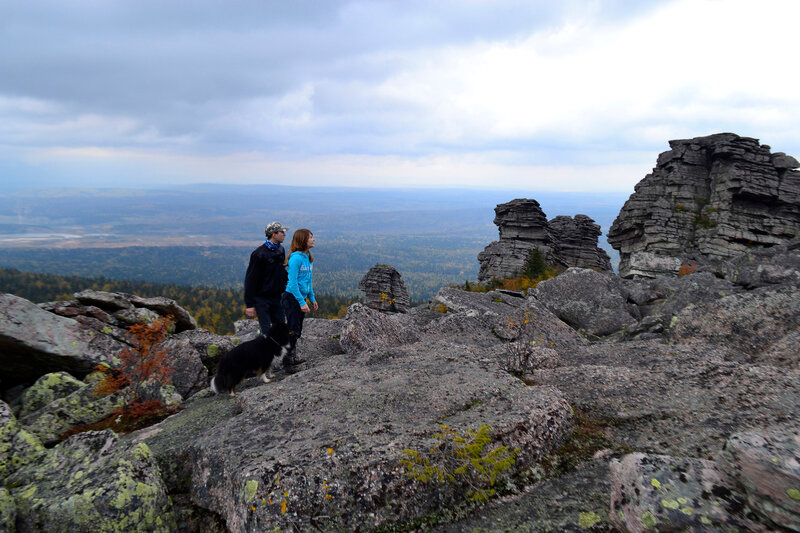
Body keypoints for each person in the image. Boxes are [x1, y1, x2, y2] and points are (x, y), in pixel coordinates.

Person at [244, 221, 289, 336]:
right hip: (261, 299)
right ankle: (263, 352)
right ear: (273, 234)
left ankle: (278, 353)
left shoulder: (281, 250)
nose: (284, 234)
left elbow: (282, 271)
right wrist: (249, 305)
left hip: (277, 297)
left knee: (280, 328)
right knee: (267, 331)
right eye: (282, 232)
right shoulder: (259, 254)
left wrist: (287, 285)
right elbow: (251, 279)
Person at [282, 228, 318, 368]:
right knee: (292, 329)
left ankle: (292, 357)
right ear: (303, 240)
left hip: (300, 298)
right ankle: (286, 362)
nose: (313, 239)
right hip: (291, 298)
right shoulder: (296, 258)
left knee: (297, 329)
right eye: (310, 237)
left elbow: (308, 281)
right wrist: (302, 302)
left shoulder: (308, 257)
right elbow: (292, 283)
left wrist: (312, 298)